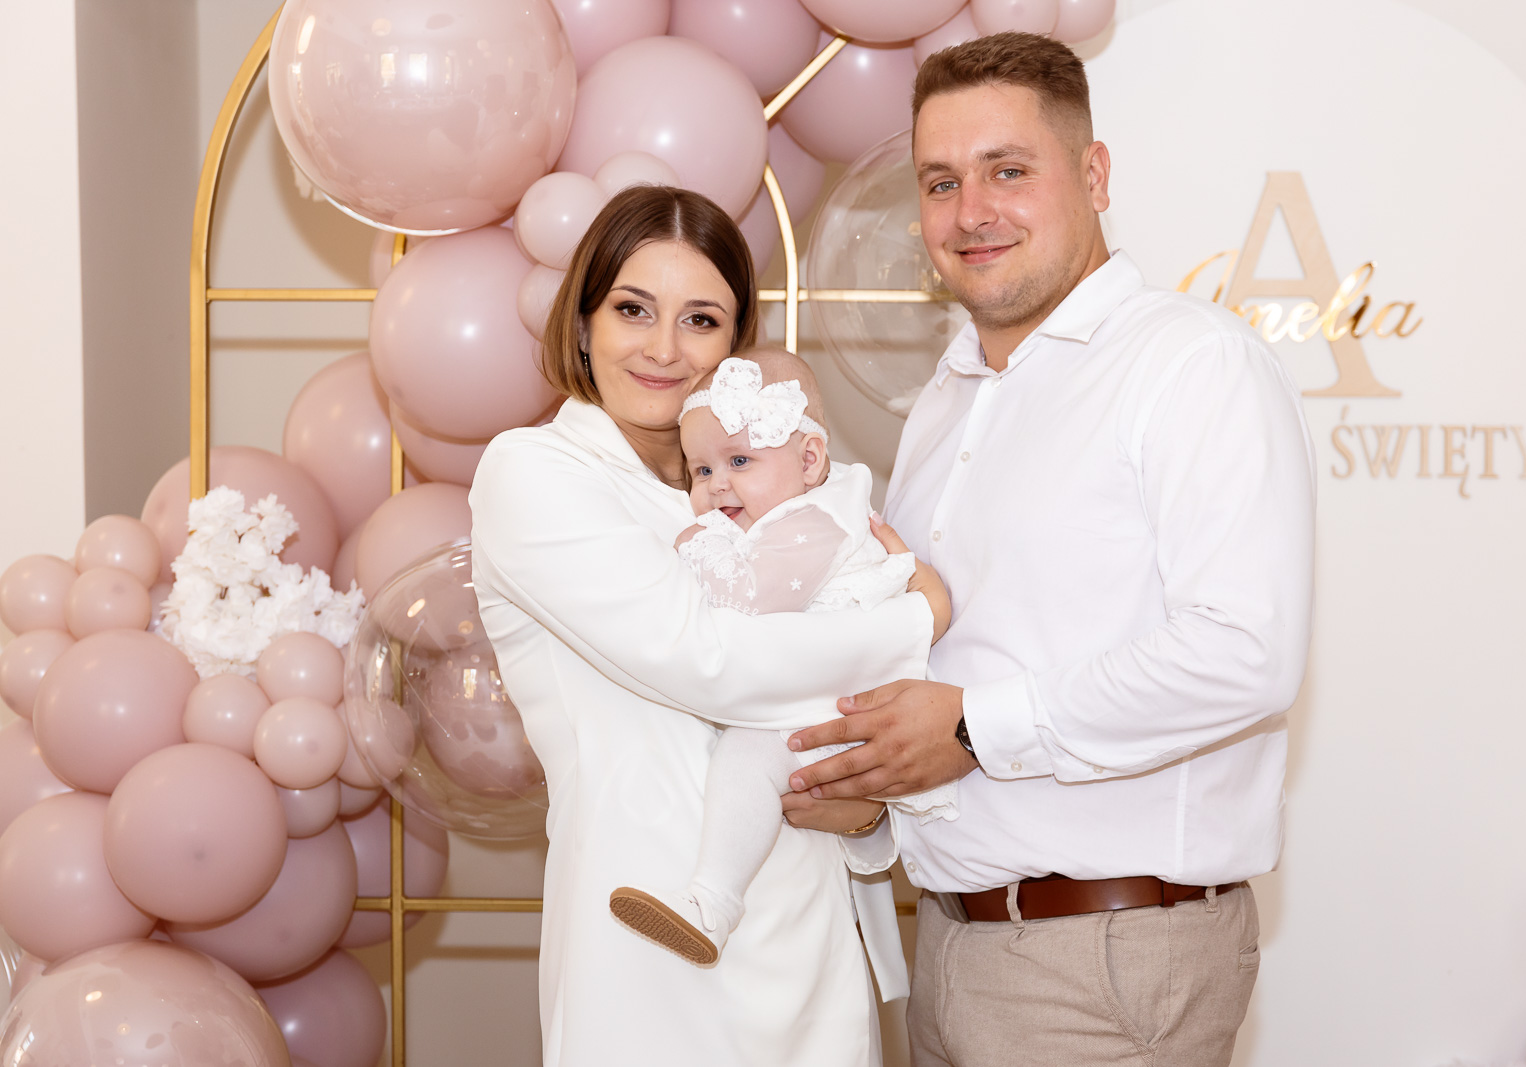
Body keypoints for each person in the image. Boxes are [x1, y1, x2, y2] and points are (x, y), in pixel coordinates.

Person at [786, 32, 1317, 1067]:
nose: (970, 212)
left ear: (1094, 175)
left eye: (1008, 171)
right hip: (950, 942)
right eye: (941, 181)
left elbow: (1244, 652)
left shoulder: (1191, 365)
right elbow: (957, 666)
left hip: (1106, 960)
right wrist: (872, 793)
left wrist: (973, 727)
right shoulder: (947, 400)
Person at [468, 185, 944, 1067]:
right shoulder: (534, 473)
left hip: (805, 933)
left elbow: (842, 707)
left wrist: (862, 808)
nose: (664, 347)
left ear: (736, 349)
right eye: (632, 309)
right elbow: (707, 659)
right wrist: (918, 617)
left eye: (701, 320)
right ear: (583, 323)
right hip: (649, 936)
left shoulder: (779, 487)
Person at [610, 349, 956, 967]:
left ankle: (713, 902)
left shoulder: (816, 519)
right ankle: (711, 903)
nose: (717, 484)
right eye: (700, 470)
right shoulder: (784, 516)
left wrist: (692, 544)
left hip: (852, 710)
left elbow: (750, 602)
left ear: (809, 460)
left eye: (740, 461)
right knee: (746, 758)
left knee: (748, 756)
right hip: (826, 695)